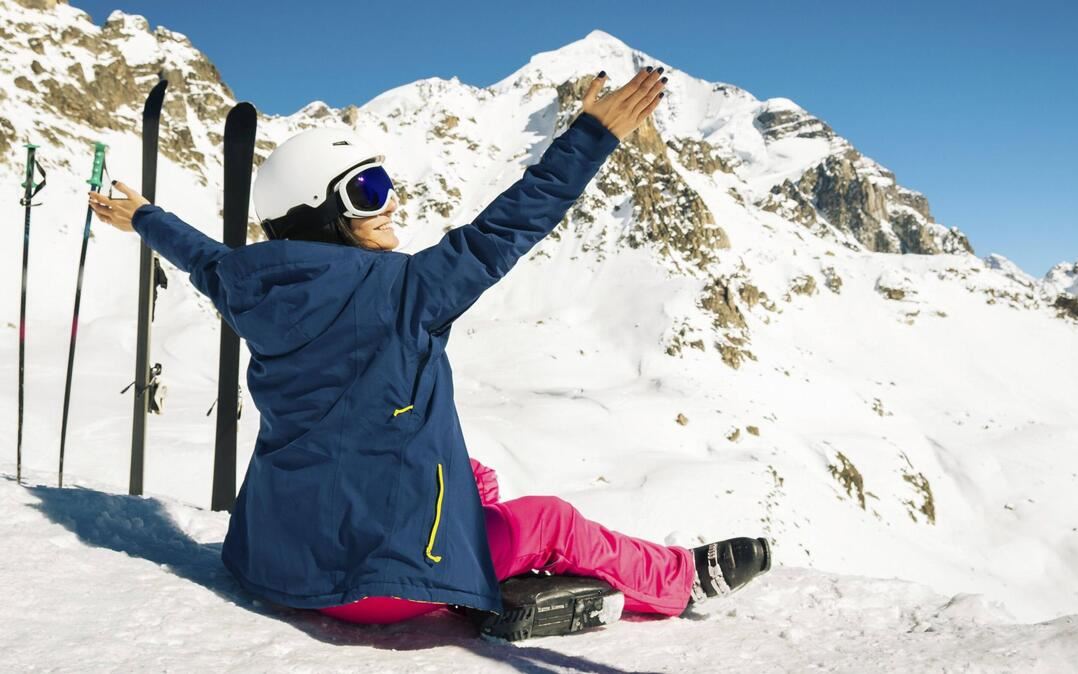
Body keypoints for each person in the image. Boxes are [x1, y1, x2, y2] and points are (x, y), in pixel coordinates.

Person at [89, 66, 770, 638]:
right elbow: (504, 228)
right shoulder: (406, 289)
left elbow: (202, 258)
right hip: (383, 590)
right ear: (322, 214)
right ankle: (681, 580)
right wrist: (591, 138)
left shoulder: (245, 283)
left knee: (470, 477)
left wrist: (143, 217)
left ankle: (469, 552)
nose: (391, 205)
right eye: (369, 192)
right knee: (549, 521)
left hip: (277, 563)